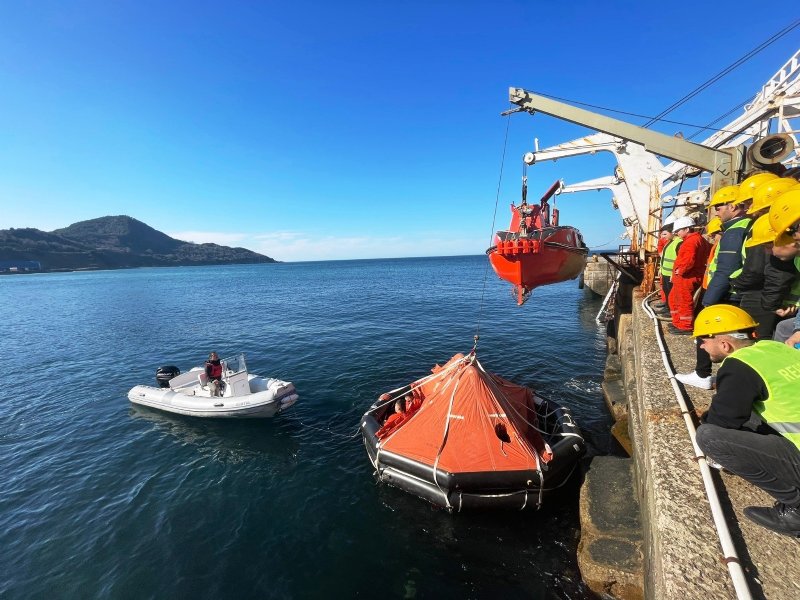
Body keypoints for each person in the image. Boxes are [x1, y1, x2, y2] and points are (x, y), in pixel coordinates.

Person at [692, 304, 800, 538]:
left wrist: (705, 418)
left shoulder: (739, 366)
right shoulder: (774, 348)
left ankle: (795, 509)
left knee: (708, 437)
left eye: (703, 340)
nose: (701, 345)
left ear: (724, 344)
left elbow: (722, 422)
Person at [667, 216, 710, 335]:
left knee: (683, 301)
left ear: (686, 229)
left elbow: (688, 260)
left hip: (687, 277)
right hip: (690, 275)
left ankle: (685, 326)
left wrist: (680, 271)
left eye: (678, 231)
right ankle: (677, 322)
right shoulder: (699, 239)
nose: (676, 233)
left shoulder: (690, 242)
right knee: (673, 298)